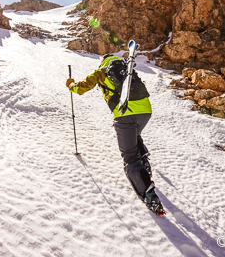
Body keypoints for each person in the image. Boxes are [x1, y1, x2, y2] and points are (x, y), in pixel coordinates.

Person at [66, 54, 165, 216]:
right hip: (146, 111)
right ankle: (145, 163)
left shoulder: (102, 71)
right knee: (135, 136)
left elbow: (81, 88)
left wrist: (71, 84)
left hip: (125, 113)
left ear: (103, 61)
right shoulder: (128, 69)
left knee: (130, 157)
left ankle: (149, 195)